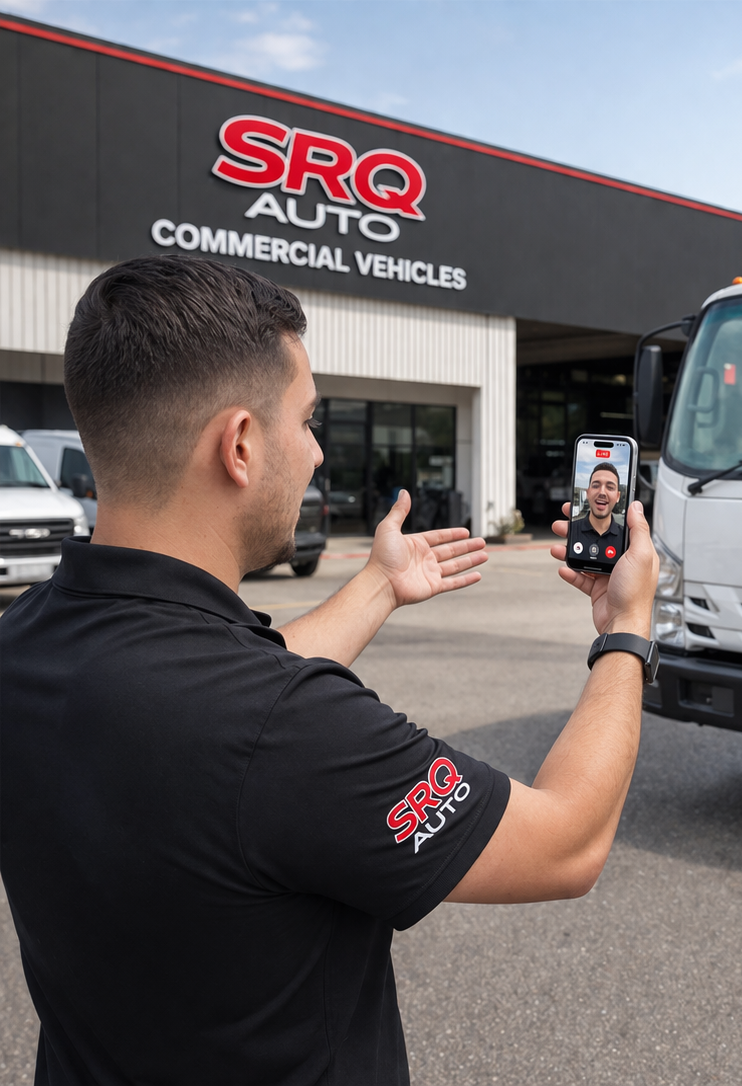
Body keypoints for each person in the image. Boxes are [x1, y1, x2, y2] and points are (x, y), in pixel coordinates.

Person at [0, 256, 659, 1084]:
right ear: (240, 444)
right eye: (307, 421)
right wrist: (626, 630)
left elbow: (217, 709)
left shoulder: (26, 642)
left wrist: (379, 584)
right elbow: (567, 843)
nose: (315, 454)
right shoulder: (281, 727)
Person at [572, 461, 625, 561]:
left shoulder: (627, 537)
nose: (602, 492)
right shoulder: (572, 529)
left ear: (618, 496)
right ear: (588, 493)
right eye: (596, 486)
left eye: (610, 487)